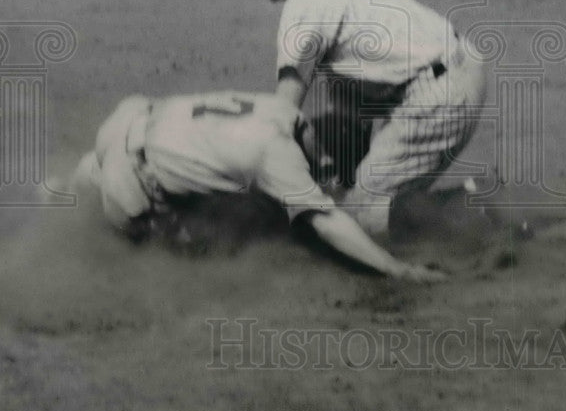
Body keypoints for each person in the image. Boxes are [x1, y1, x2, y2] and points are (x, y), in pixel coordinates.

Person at [233, 0, 486, 238]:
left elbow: (283, 113)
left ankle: (484, 204)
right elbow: (355, 104)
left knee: (361, 219)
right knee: (384, 197)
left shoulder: (302, 12)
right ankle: (475, 201)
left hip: (439, 94)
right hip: (460, 70)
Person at [72, 91, 445, 282]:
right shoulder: (277, 156)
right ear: (329, 161)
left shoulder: (282, 110)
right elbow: (326, 221)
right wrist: (395, 268)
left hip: (132, 115)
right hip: (131, 189)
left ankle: (65, 186)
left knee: (109, 169)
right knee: (189, 256)